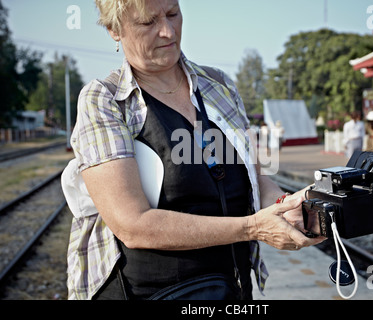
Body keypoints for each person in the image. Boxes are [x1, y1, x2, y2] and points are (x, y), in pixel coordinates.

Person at [61, 0, 324, 300]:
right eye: (148, 22)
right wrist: (252, 228)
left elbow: (257, 179)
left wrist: (287, 207)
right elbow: (133, 225)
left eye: (173, 14)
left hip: (231, 290)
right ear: (114, 29)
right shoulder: (106, 101)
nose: (167, 31)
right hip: (150, 293)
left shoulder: (219, 85)